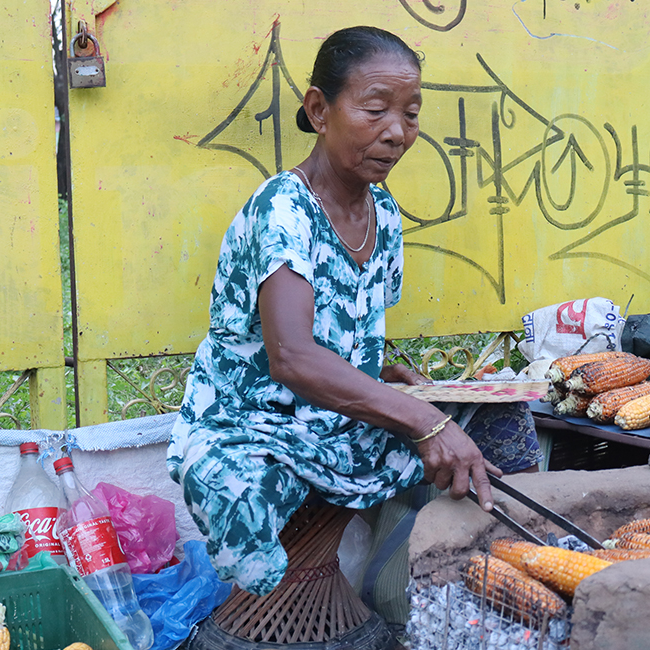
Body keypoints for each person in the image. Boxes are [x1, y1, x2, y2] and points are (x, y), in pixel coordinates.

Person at [167, 26, 520, 598]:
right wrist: (422, 421)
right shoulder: (283, 208)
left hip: (334, 419)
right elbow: (290, 356)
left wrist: (378, 374)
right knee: (237, 488)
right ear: (319, 109)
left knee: (501, 428)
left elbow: (338, 335)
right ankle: (280, 609)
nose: (397, 132)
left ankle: (448, 593)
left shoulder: (383, 209)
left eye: (410, 113)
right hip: (259, 424)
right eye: (376, 110)